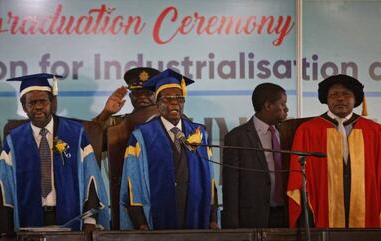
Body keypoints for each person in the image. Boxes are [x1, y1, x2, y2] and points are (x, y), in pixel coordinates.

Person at [0, 73, 110, 240]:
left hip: (71, 218)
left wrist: (90, 221)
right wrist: (5, 230)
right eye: (32, 102)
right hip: (29, 220)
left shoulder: (76, 133)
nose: (38, 107)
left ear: (51, 103)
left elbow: (91, 178)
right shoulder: (14, 141)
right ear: (24, 107)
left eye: (43, 101)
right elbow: (4, 187)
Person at [119, 68, 218, 230]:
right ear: (158, 104)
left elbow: (210, 180)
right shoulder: (142, 136)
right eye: (167, 98)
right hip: (158, 218)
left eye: (179, 98)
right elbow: (133, 185)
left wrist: (213, 218)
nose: (174, 102)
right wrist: (141, 223)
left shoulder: (199, 133)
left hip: (194, 212)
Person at [287, 74, 381, 228]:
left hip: (366, 204)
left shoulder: (375, 131)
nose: (340, 99)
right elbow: (297, 177)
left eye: (346, 94)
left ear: (356, 99)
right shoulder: (308, 130)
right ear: (326, 99)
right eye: (334, 94)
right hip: (322, 204)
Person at [222, 83, 289, 228]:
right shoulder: (236, 137)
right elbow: (230, 188)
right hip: (253, 218)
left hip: (286, 216)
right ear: (268, 106)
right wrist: (232, 229)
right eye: (282, 104)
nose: (286, 109)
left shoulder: (288, 133)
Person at [92, 67, 160, 131]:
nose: (142, 97)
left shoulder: (167, 121)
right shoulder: (118, 122)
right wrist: (106, 112)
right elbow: (90, 133)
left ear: (158, 96)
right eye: (137, 93)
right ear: (130, 96)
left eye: (148, 93)